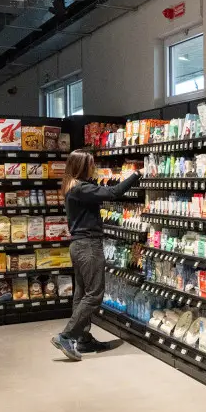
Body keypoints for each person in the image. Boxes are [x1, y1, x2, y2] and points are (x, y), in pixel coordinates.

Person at [51, 149, 141, 361]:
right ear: (83, 166)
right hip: (89, 246)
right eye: (91, 164)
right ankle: (67, 336)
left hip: (79, 245)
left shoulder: (73, 186)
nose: (94, 168)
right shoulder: (81, 188)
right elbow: (113, 193)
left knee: (81, 294)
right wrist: (136, 175)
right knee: (95, 294)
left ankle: (82, 340)